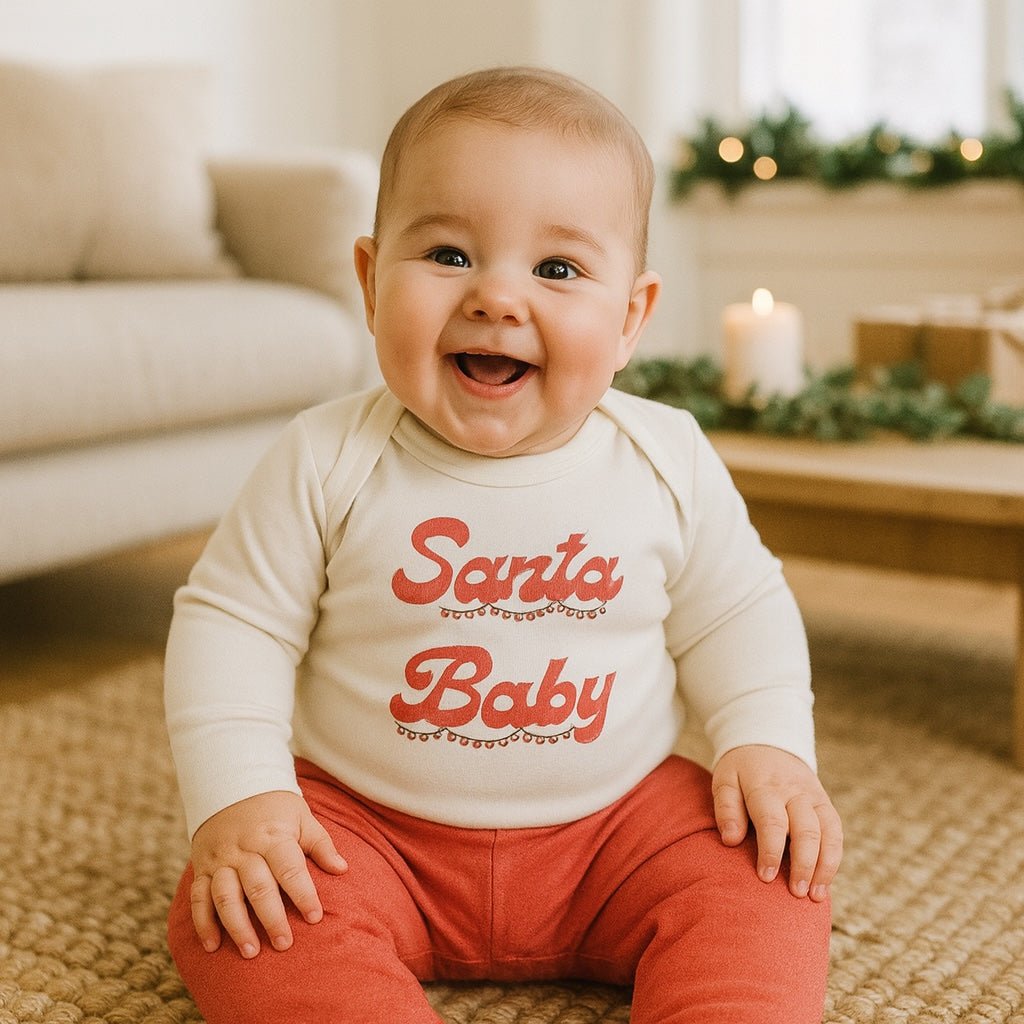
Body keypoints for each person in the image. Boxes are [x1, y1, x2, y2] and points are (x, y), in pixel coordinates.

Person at [164, 65, 842, 1023]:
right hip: (368, 829)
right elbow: (233, 626)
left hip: (617, 827)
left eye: (558, 269)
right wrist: (239, 799)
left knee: (765, 868)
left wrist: (768, 744)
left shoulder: (665, 458)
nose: (496, 297)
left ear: (631, 318)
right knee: (238, 912)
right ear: (367, 280)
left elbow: (739, 612)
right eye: (447, 253)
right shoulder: (326, 457)